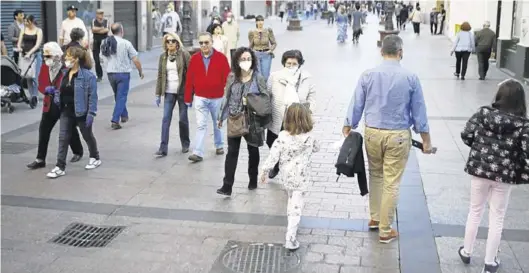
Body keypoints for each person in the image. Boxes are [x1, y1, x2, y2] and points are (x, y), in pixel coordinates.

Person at [343, 35, 433, 244]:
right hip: (398, 136)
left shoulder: (368, 75)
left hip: (373, 133)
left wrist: (349, 125)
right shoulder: (410, 77)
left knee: (375, 175)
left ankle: (375, 218)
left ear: (381, 52)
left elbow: (357, 103)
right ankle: (385, 229)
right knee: (391, 181)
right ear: (400, 52)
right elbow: (419, 112)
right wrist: (426, 140)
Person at [458, 79, 529, 273]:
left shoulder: (483, 114)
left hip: (480, 171)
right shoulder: (523, 125)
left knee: (475, 211)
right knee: (497, 217)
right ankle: (490, 263)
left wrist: (480, 147)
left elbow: (466, 134)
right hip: (503, 176)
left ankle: (466, 251)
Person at [260, 103, 320, 251]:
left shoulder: (282, 136)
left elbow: (273, 155)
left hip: (286, 176)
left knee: (291, 200)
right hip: (301, 177)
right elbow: (317, 148)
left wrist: (264, 171)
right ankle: (290, 238)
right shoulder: (309, 137)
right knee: (297, 206)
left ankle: (290, 222)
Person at [217, 47, 269, 196]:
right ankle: (227, 186)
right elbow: (226, 96)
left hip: (252, 119)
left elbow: (265, 97)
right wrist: (222, 116)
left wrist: (252, 100)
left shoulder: (258, 77)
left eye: (248, 59)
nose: (246, 62)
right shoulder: (232, 76)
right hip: (234, 118)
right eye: (242, 59)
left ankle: (252, 179)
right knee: (231, 152)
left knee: (253, 150)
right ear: (237, 61)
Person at [27, 42, 84, 170]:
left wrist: (60, 90)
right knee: (43, 130)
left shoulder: (66, 68)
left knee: (69, 130)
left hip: (64, 104)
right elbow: (40, 83)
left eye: (49, 56)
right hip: (49, 104)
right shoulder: (43, 67)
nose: (46, 59)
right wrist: (45, 90)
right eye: (45, 56)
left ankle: (78, 151)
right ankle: (40, 159)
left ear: (57, 56)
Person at [46, 47, 101, 178]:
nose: (66, 59)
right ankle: (60, 166)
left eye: (69, 57)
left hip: (81, 112)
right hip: (66, 110)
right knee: (63, 138)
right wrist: (55, 93)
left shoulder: (88, 76)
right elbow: (61, 89)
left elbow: (93, 97)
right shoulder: (65, 73)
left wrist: (91, 114)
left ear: (76, 59)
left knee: (87, 135)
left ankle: (95, 157)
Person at [267, 50, 316, 179]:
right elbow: (268, 94)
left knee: (292, 145)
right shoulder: (275, 76)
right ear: (284, 63)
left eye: (294, 63)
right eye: (288, 63)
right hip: (278, 116)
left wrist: (308, 110)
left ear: (299, 64)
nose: (291, 66)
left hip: (296, 118)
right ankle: (277, 164)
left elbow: (312, 97)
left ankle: (288, 171)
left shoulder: (306, 78)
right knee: (271, 141)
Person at [184, 32, 230, 162]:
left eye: (206, 42)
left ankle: (219, 144)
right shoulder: (194, 59)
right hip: (200, 98)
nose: (204, 45)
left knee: (218, 123)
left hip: (217, 97)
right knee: (201, 125)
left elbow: (228, 78)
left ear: (212, 43)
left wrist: (228, 95)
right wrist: (188, 97)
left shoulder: (221, 58)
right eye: (201, 43)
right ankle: (198, 152)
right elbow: (189, 79)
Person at [100, 23, 145, 130]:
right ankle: (115, 120)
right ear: (122, 31)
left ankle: (124, 115)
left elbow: (101, 58)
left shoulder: (105, 42)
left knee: (118, 95)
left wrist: (107, 67)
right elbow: (135, 59)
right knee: (121, 96)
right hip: (123, 73)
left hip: (110, 73)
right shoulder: (126, 43)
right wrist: (140, 71)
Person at [154, 33, 191, 156]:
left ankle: (185, 143)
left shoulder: (184, 55)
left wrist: (190, 93)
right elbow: (160, 75)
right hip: (169, 92)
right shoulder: (163, 57)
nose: (170, 43)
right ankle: (163, 147)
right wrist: (158, 94)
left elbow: (191, 74)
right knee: (165, 119)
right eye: (168, 41)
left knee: (183, 119)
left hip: (182, 92)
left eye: (173, 41)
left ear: (177, 43)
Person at [17, 14, 43, 107]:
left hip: (35, 56)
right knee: (28, 77)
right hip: (25, 56)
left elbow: (37, 45)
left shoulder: (38, 30)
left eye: (26, 21)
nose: (24, 23)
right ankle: (32, 97)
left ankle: (35, 96)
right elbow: (19, 43)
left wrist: (30, 53)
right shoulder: (23, 29)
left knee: (34, 77)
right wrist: (20, 48)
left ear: (31, 22)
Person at [248, 15, 277, 81]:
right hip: (256, 54)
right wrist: (251, 53)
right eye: (258, 21)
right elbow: (250, 45)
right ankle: (260, 91)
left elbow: (274, 43)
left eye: (262, 20)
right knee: (258, 75)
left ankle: (265, 89)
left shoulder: (268, 31)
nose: (260, 22)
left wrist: (270, 50)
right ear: (256, 22)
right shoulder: (252, 32)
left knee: (265, 76)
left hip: (266, 54)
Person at [92, 9, 109, 82]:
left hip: (104, 42)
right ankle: (99, 75)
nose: (101, 15)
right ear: (96, 14)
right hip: (96, 43)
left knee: (108, 59)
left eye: (102, 13)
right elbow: (93, 29)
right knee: (96, 60)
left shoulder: (106, 21)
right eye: (99, 13)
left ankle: (111, 73)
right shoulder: (93, 21)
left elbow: (106, 30)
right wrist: (101, 28)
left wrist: (98, 30)